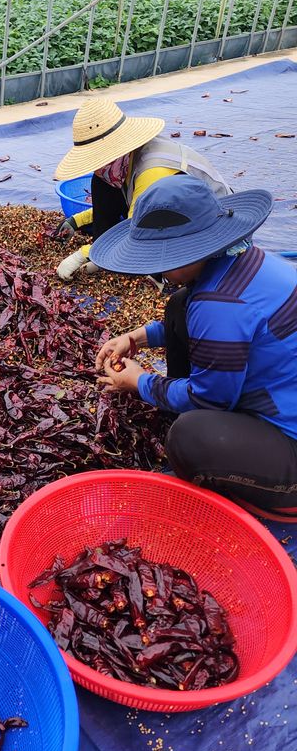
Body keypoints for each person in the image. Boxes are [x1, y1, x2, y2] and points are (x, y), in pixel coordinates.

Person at [92, 175, 297, 519]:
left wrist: (140, 381)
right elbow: (206, 325)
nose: (155, 269)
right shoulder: (241, 260)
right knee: (178, 305)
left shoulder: (219, 306)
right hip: (277, 390)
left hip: (289, 441)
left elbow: (210, 400)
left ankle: (283, 496)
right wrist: (138, 336)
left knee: (188, 437)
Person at [53, 96, 230, 280]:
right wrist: (77, 221)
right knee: (100, 183)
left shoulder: (152, 171)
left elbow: (134, 234)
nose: (96, 167)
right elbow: (126, 207)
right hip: (171, 213)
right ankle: (106, 253)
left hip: (210, 228)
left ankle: (158, 273)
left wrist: (84, 255)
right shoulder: (125, 162)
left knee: (156, 260)